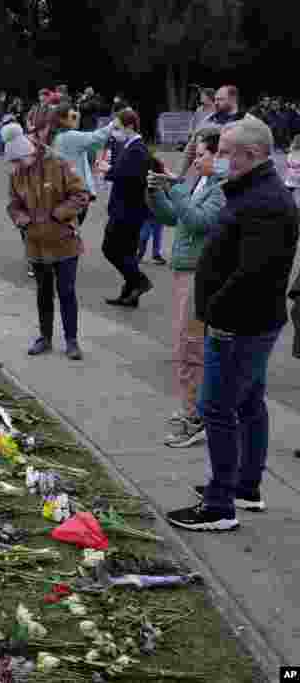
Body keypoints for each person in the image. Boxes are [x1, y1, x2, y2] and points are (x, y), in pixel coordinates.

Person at [167, 116, 300, 532]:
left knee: (216, 408)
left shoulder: (264, 201)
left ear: (252, 155)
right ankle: (245, 486)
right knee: (247, 403)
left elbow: (252, 273)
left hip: (239, 324)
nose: (218, 159)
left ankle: (220, 505)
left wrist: (216, 312)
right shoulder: (255, 192)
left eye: (225, 152)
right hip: (248, 321)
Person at [147, 128, 227, 448]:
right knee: (186, 344)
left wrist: (176, 190)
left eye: (202, 154)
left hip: (199, 274)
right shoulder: (201, 181)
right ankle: (191, 410)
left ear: (219, 155)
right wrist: (157, 193)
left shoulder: (222, 188)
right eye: (195, 154)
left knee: (191, 346)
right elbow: (174, 218)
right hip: (185, 271)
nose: (196, 160)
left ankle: (196, 416)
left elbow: (198, 221)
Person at [5, 123, 89, 360]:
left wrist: (58, 215)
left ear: (29, 152)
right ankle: (45, 337)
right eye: (14, 163)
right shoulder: (17, 173)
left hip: (64, 241)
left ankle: (71, 340)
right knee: (43, 292)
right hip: (36, 243)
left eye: (19, 161)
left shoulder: (59, 163)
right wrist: (22, 220)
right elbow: (13, 205)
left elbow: (81, 195)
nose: (17, 167)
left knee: (67, 292)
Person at [102, 109, 153, 307]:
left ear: (130, 127)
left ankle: (140, 281)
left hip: (127, 210)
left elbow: (131, 177)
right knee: (127, 251)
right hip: (127, 208)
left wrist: (109, 171)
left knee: (111, 248)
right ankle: (130, 293)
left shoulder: (137, 149)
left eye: (117, 128)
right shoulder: (131, 146)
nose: (114, 132)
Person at [48, 104, 116, 225]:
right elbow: (97, 138)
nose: (77, 118)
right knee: (71, 233)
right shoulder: (69, 137)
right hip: (74, 193)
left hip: (63, 190)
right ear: (62, 120)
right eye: (73, 116)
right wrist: (114, 123)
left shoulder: (56, 136)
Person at [285, 134, 300, 199]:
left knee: (288, 191)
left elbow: (288, 163)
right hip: (297, 173)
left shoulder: (290, 152)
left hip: (291, 174)